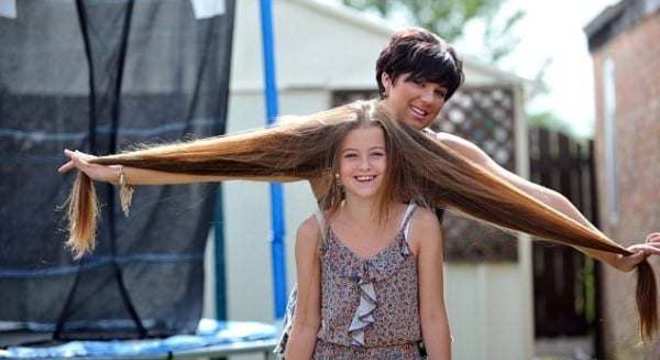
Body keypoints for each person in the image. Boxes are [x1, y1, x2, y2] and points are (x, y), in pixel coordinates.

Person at [58, 28, 660, 340]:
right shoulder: (330, 140)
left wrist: (609, 252)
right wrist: (112, 169)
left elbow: (535, 201)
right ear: (387, 78)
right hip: (324, 324)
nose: (428, 100)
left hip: (405, 330)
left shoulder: (446, 156)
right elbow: (221, 159)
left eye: (441, 93)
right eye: (417, 84)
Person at [284, 102, 450, 358]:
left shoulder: (420, 226)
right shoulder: (313, 232)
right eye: (351, 155)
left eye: (376, 154)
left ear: (393, 160)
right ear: (336, 166)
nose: (365, 166)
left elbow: (433, 317)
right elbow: (305, 324)